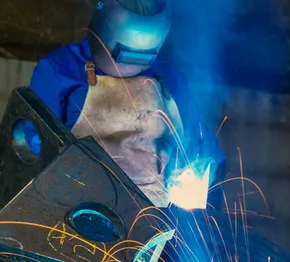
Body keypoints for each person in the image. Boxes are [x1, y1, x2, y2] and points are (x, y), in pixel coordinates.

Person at [28, 0, 224, 209]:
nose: (130, 67)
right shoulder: (59, 70)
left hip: (152, 212)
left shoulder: (169, 80)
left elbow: (200, 144)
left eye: (141, 58)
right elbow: (37, 141)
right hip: (80, 206)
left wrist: (197, 171)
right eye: (125, 54)